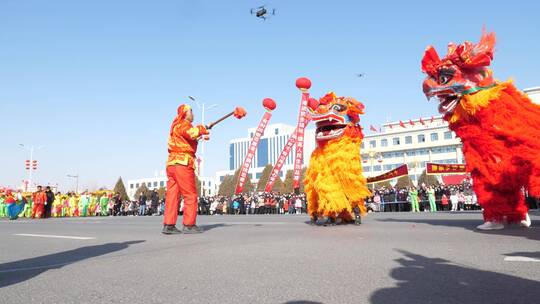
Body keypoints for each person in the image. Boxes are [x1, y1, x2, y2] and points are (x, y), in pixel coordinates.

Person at [162, 104, 209, 234]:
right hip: (183, 163)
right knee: (190, 194)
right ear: (184, 113)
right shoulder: (184, 124)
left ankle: (169, 225)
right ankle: (189, 224)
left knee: (173, 195)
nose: (193, 114)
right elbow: (190, 133)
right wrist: (201, 128)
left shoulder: (175, 126)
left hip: (172, 164)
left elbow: (186, 139)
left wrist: (202, 132)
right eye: (191, 111)